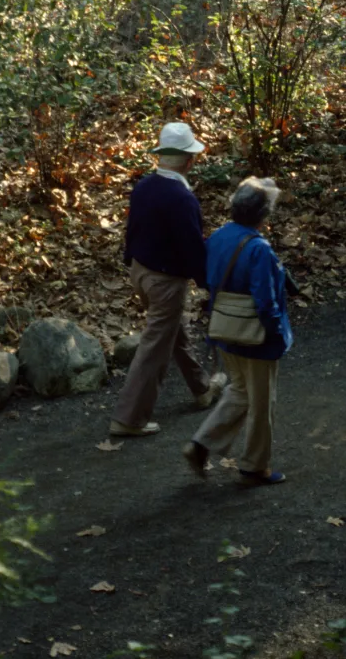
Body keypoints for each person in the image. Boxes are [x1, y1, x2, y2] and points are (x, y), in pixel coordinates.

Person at [109, 122, 223, 437]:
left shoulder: (144, 187)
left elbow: (132, 230)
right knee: (154, 347)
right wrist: (208, 282)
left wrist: (129, 260)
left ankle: (201, 389)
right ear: (189, 160)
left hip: (140, 272)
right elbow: (192, 247)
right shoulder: (182, 199)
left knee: (174, 331)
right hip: (165, 282)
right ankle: (128, 418)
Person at [183, 176, 293, 485]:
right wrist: (277, 335)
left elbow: (204, 275)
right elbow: (266, 301)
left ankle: (201, 444)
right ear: (263, 214)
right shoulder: (259, 250)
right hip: (255, 337)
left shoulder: (217, 238)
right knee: (262, 401)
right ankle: (255, 465)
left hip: (225, 329)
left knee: (240, 390)